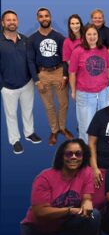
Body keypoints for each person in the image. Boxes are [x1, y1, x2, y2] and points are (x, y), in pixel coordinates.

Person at [20, 138, 101, 235]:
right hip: (37, 228)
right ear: (61, 157)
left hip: (63, 224)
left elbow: (87, 197)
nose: (74, 157)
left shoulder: (86, 172)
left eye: (78, 154)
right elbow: (40, 212)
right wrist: (70, 210)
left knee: (94, 215)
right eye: (69, 154)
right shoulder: (44, 177)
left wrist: (87, 204)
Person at [1, 10, 41, 153]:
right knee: (11, 114)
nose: (12, 22)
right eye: (8, 20)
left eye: (14, 20)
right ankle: (15, 140)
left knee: (28, 111)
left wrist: (34, 79)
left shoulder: (25, 39)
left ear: (17, 22)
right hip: (7, 86)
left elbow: (31, 61)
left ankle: (29, 133)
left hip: (26, 83)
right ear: (3, 23)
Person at [28, 7, 69, 145]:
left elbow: (66, 58)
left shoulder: (59, 37)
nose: (44, 18)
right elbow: (30, 61)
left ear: (50, 17)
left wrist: (64, 76)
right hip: (43, 74)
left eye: (46, 16)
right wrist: (36, 80)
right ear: (37, 19)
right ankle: (54, 130)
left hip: (58, 71)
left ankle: (63, 128)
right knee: (49, 105)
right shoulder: (32, 39)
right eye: (41, 16)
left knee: (63, 103)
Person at [69, 24, 109, 140]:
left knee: (107, 122)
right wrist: (73, 91)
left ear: (98, 36)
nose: (92, 37)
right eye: (89, 34)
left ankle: (106, 145)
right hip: (85, 94)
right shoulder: (77, 51)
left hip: (104, 92)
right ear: (84, 35)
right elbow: (72, 73)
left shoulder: (103, 49)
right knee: (86, 126)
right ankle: (86, 150)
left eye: (94, 34)